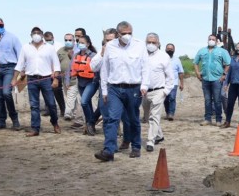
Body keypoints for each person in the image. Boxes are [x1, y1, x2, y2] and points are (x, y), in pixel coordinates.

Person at [96, 21, 150, 162]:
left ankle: (136, 146)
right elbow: (105, 69)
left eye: (129, 33)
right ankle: (109, 150)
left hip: (134, 88)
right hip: (114, 88)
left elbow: (145, 67)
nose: (127, 36)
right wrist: (104, 91)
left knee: (132, 119)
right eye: (124, 33)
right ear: (118, 34)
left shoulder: (139, 46)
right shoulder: (110, 46)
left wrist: (144, 85)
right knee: (112, 118)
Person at [11, 26, 61, 136]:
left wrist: (56, 79)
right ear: (31, 35)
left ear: (42, 34)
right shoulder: (25, 48)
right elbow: (19, 64)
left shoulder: (49, 48)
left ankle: (55, 122)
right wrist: (14, 79)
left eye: (39, 32)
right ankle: (35, 128)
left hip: (46, 78)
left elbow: (56, 65)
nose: (36, 34)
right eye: (34, 32)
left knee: (51, 104)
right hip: (32, 79)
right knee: (34, 105)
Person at [142, 32, 174, 151]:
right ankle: (159, 135)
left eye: (153, 42)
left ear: (158, 43)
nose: (151, 44)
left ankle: (151, 141)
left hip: (158, 91)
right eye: (148, 42)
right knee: (147, 116)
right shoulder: (142, 55)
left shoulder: (163, 56)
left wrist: (165, 91)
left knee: (154, 116)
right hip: (144, 92)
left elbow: (170, 76)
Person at [193, 34, 231, 126]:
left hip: (217, 79)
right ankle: (207, 119)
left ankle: (218, 119)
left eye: (213, 39)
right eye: (209, 39)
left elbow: (228, 64)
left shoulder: (222, 51)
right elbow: (195, 62)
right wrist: (197, 73)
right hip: (205, 79)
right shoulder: (202, 51)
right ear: (207, 40)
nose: (211, 40)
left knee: (217, 100)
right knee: (207, 100)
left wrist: (224, 75)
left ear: (216, 41)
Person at [72, 35, 99, 136]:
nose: (80, 44)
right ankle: (90, 126)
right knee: (87, 104)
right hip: (81, 82)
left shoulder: (94, 55)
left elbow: (97, 68)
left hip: (92, 82)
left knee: (83, 102)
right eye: (79, 42)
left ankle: (90, 122)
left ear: (88, 44)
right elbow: (73, 67)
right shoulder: (76, 55)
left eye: (82, 42)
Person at [64, 28, 86, 128]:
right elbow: (70, 66)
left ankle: (92, 119)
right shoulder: (74, 50)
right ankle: (79, 120)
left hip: (88, 80)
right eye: (75, 36)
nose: (77, 38)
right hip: (77, 79)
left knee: (84, 101)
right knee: (76, 99)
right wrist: (67, 79)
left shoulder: (91, 51)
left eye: (79, 35)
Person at [42, 31, 65, 117]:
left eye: (49, 40)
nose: (48, 41)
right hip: (46, 72)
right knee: (46, 90)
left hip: (56, 71)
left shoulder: (59, 46)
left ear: (53, 38)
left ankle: (62, 109)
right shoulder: (42, 47)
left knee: (57, 91)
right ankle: (48, 109)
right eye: (46, 40)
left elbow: (60, 60)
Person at [164, 43, 185, 121]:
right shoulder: (162, 59)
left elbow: (181, 72)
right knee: (166, 99)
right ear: (165, 50)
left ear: (174, 50)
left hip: (174, 83)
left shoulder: (177, 60)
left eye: (171, 49)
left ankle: (171, 114)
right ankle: (167, 112)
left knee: (172, 98)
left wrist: (182, 83)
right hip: (164, 83)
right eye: (168, 49)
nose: (170, 50)